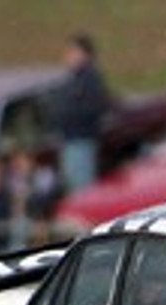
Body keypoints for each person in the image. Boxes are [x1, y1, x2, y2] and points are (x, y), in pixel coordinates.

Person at [52, 33, 112, 193]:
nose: (68, 56)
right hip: (71, 141)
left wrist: (71, 116)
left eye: (72, 51)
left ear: (84, 54)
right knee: (72, 187)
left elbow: (97, 107)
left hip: (81, 141)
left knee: (82, 189)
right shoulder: (74, 78)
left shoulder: (90, 79)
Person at [5, 149, 62, 250]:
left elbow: (46, 201)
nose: (19, 166)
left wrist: (40, 218)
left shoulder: (42, 177)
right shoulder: (11, 181)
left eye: (23, 162)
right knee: (19, 225)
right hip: (19, 221)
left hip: (41, 218)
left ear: (31, 162)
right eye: (16, 163)